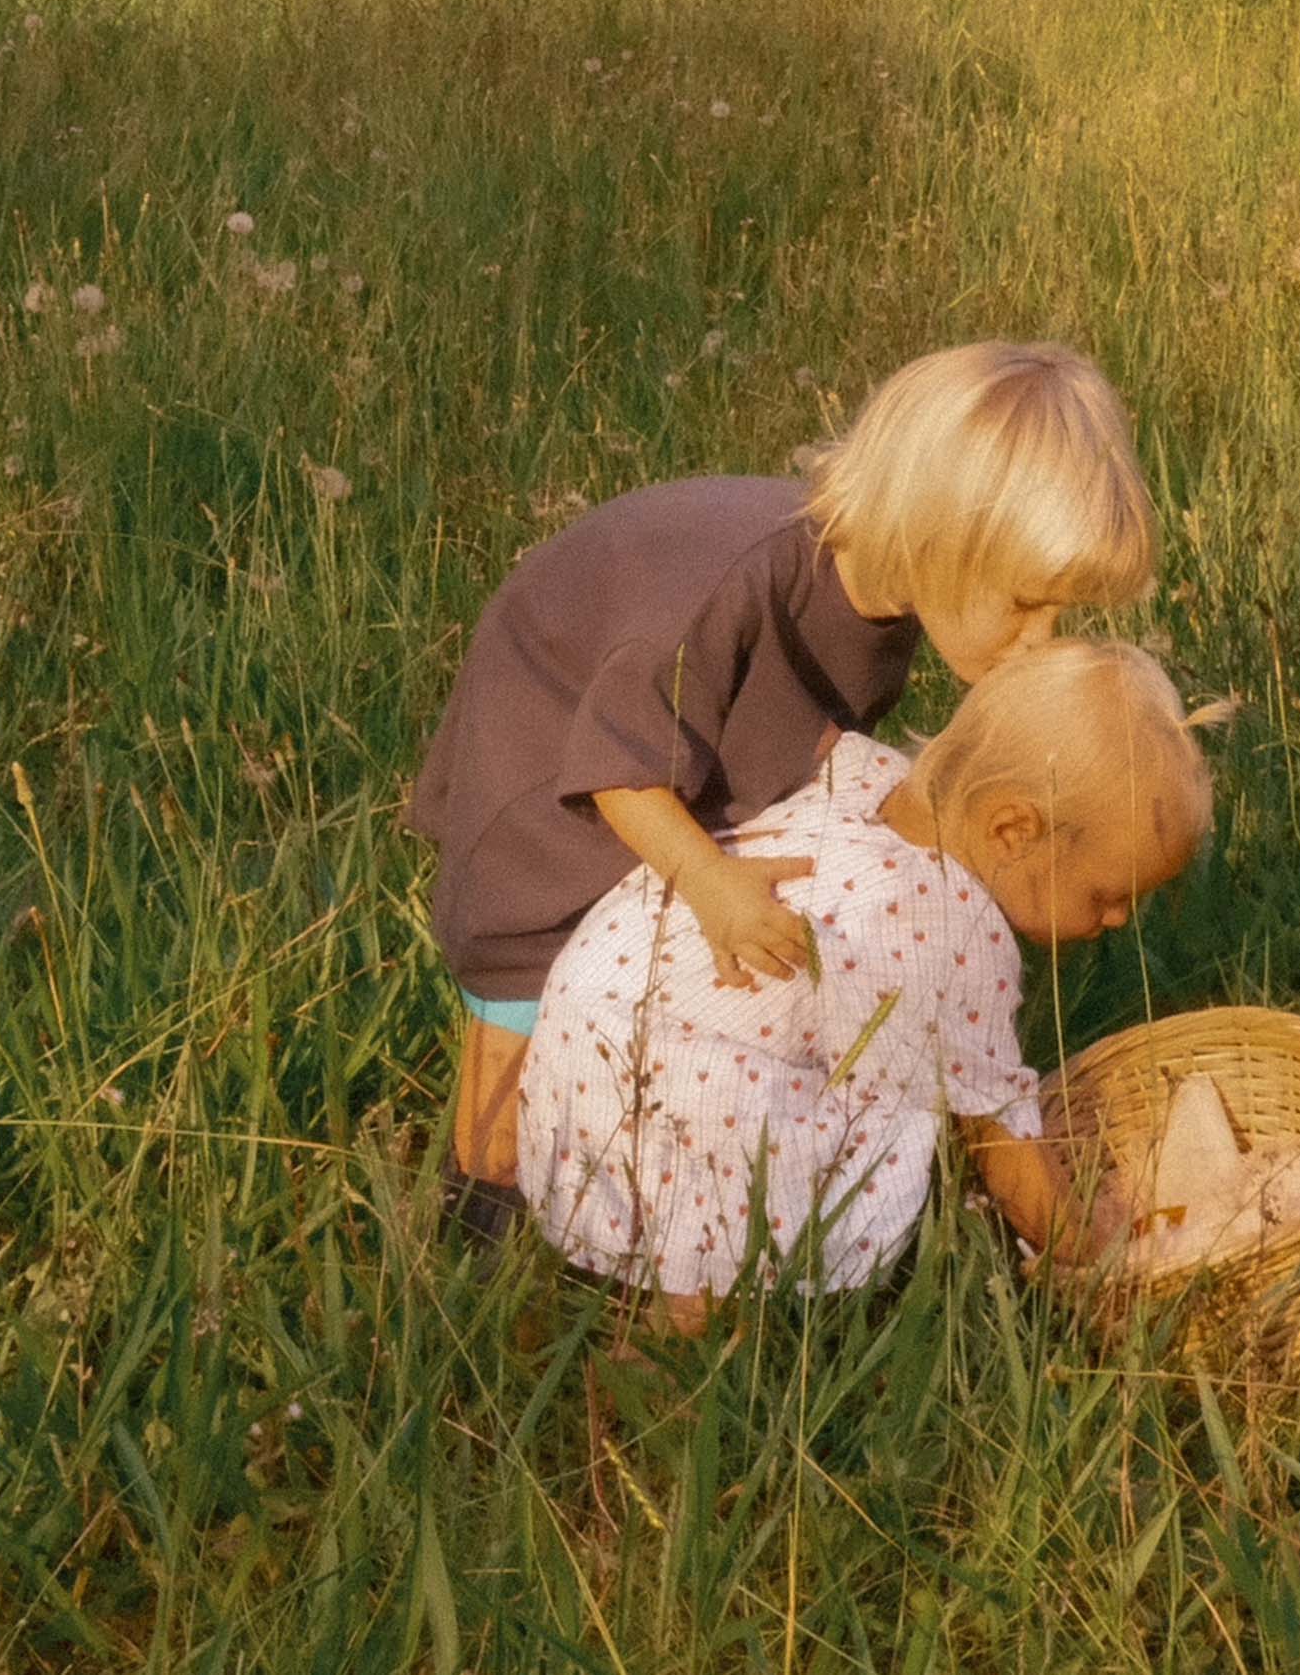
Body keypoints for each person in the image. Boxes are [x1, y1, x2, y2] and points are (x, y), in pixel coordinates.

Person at [410, 342, 1157, 1243]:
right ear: (937, 538)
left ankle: (638, 1198)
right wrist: (714, 885)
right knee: (527, 1019)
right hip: (554, 780)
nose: (1043, 642)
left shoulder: (889, 607)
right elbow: (617, 768)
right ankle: (476, 1234)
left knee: (643, 1008)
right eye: (1027, 604)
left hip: (683, 765)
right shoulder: (733, 587)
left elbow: (810, 745)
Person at [515, 641, 1213, 1318]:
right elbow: (1004, 1148)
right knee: (734, 1253)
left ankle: (594, 1291)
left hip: (587, 1026)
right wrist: (1099, 1246)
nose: (1121, 919)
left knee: (873, 1071)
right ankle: (656, 1369)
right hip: (676, 1087)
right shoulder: (949, 927)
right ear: (1011, 831)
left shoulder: (869, 778)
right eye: (1107, 895)